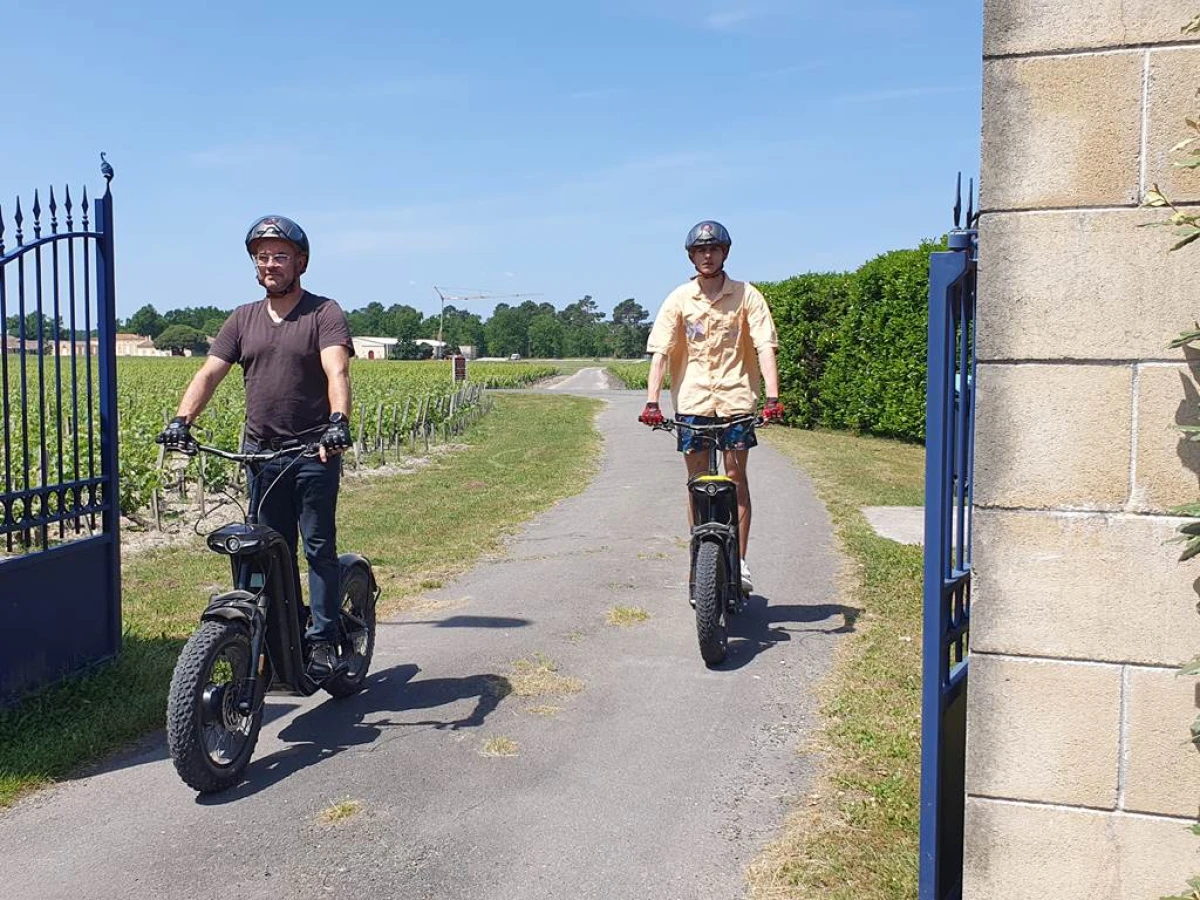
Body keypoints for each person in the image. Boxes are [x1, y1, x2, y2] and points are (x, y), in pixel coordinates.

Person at [156, 215, 355, 681]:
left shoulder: (323, 313)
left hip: (312, 453)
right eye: (262, 257)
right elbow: (209, 373)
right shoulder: (242, 318)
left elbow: (336, 372)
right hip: (260, 456)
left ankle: (324, 639)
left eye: (280, 256)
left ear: (300, 262)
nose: (271, 264)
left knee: (317, 547)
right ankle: (267, 640)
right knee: (264, 550)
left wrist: (337, 423)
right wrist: (182, 419)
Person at [638, 220, 785, 594]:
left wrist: (772, 397)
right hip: (693, 402)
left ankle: (740, 561)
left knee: (735, 481)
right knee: (698, 483)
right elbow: (660, 352)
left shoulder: (747, 296)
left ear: (725, 254)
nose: (707, 255)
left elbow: (765, 345)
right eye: (701, 250)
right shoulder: (679, 299)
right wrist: (652, 400)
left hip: (736, 401)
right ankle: (699, 560)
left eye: (714, 249)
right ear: (691, 256)